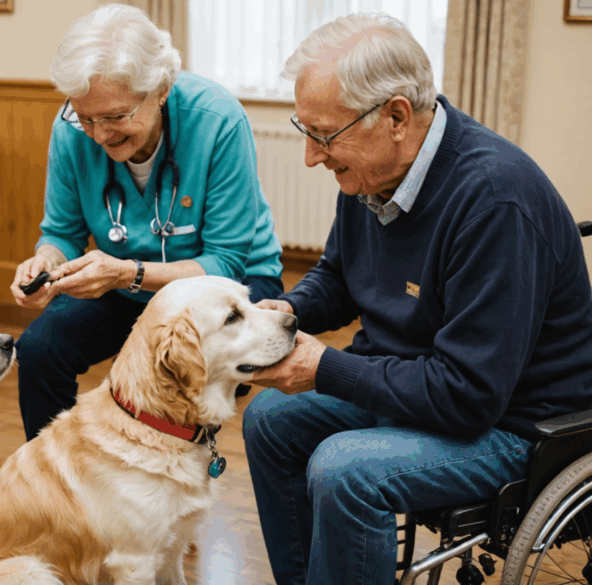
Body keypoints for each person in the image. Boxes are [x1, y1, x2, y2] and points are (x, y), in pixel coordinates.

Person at [242, 13, 592, 585]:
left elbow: (468, 396)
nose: (311, 156)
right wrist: (290, 311)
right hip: (416, 385)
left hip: (514, 425)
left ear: (397, 117)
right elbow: (339, 276)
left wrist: (325, 368)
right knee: (269, 420)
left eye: (324, 136)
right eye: (305, 131)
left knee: (346, 471)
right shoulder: (371, 172)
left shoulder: (495, 200)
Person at [12, 3, 284, 440]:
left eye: (117, 117)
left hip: (229, 286)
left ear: (161, 88)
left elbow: (227, 262)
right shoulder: (70, 129)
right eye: (87, 118)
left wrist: (127, 272)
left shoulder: (218, 119)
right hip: (123, 283)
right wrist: (45, 261)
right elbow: (62, 231)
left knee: (180, 378)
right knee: (41, 348)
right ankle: (55, 487)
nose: (101, 135)